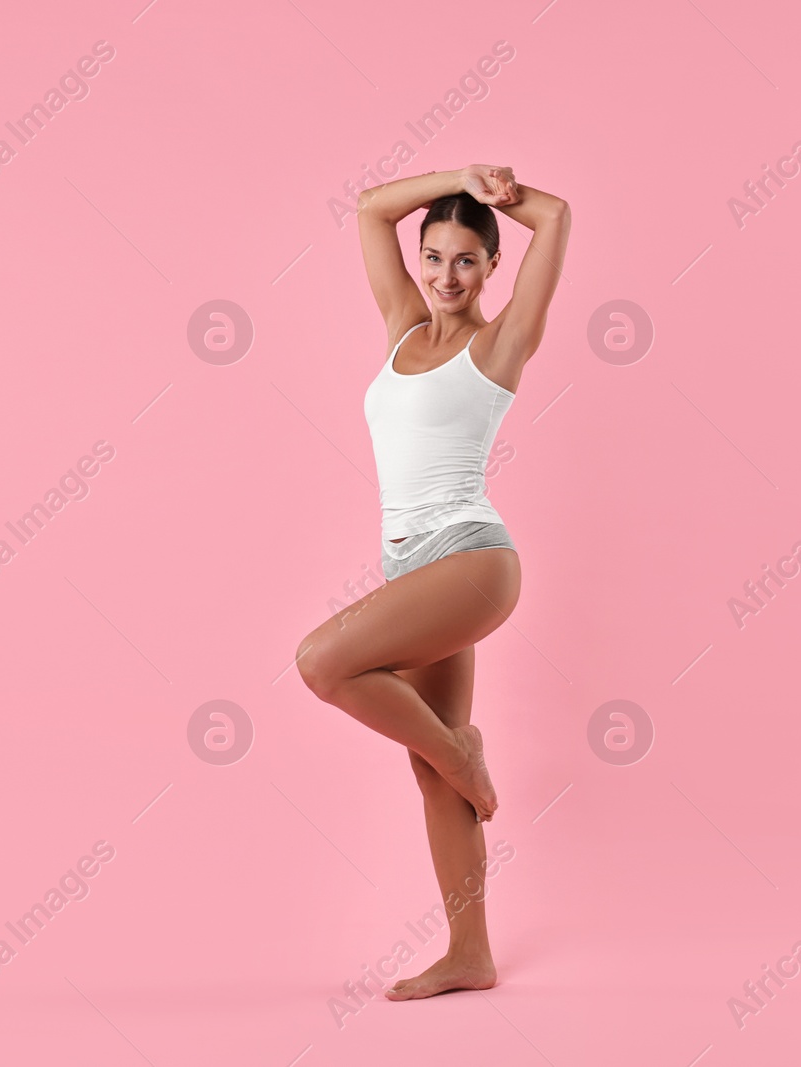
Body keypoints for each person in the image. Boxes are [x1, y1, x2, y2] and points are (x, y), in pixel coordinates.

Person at [296, 164, 571, 1000]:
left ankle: (464, 754)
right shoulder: (402, 326)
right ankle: (468, 951)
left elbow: (557, 215)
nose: (445, 277)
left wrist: (504, 197)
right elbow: (368, 207)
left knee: (321, 662)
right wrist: (458, 175)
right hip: (412, 567)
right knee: (430, 770)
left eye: (465, 261)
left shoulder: (500, 345)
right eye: (435, 257)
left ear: (493, 269)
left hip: (472, 560)